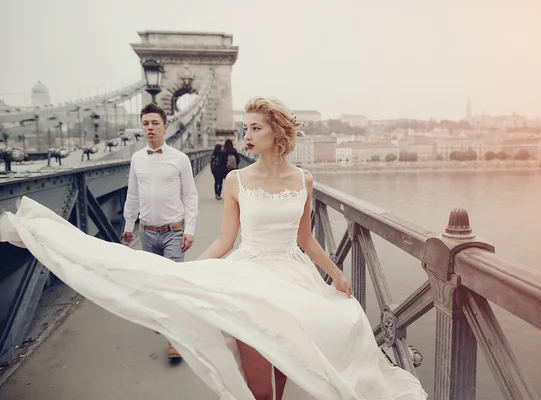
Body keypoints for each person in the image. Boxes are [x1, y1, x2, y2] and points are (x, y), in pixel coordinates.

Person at [0, 97, 427, 400]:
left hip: (295, 279)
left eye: (255, 127)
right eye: (245, 127)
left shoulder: (305, 180)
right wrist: (185, 274)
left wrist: (334, 273)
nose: (246, 133)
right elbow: (225, 240)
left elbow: (305, 238)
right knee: (259, 389)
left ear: (278, 131)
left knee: (295, 372)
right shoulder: (237, 181)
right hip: (250, 277)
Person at [121, 102, 199, 360]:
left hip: (174, 232)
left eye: (155, 123)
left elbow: (190, 196)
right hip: (147, 232)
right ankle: (167, 322)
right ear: (141, 128)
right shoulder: (136, 159)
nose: (150, 128)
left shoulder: (180, 159)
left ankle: (174, 340)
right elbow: (132, 195)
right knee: (155, 282)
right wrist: (128, 226)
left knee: (172, 285)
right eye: (146, 123)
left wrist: (190, 229)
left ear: (166, 127)